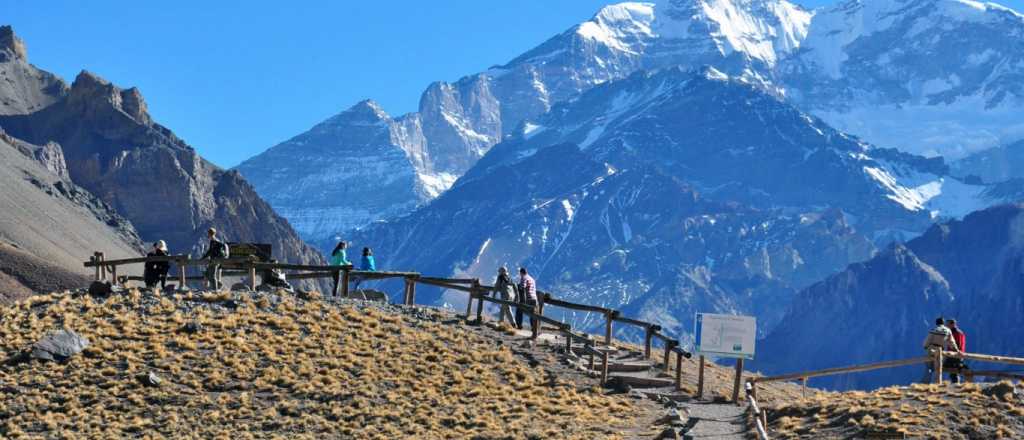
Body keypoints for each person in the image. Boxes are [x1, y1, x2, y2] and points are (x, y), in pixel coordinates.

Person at [921, 317, 960, 383]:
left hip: (932, 350)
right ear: (943, 323)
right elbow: (952, 341)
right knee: (939, 366)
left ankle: (926, 382)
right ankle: (937, 381)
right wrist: (956, 349)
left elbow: (928, 340)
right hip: (941, 350)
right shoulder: (948, 330)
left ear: (937, 323)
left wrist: (925, 346)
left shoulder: (934, 330)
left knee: (929, 366)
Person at [946, 319, 968, 383]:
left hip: (954, 354)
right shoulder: (960, 332)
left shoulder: (955, 333)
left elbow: (958, 344)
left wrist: (955, 351)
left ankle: (955, 384)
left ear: (952, 324)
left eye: (948, 324)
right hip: (959, 354)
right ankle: (955, 383)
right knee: (954, 370)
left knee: (948, 367)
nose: (946, 326)